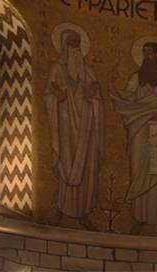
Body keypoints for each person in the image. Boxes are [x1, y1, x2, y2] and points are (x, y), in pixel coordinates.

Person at [111, 42, 157, 236]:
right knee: (139, 169)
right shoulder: (136, 79)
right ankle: (139, 218)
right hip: (139, 129)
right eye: (144, 53)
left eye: (150, 53)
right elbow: (126, 99)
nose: (147, 57)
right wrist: (112, 86)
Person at [45, 28, 105, 230]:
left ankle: (83, 213)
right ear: (64, 45)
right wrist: (57, 96)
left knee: (86, 167)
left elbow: (98, 99)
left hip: (87, 127)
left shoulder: (88, 72)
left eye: (78, 43)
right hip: (65, 126)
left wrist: (92, 97)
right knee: (66, 162)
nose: (75, 47)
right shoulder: (57, 69)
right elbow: (49, 94)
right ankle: (61, 210)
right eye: (71, 43)